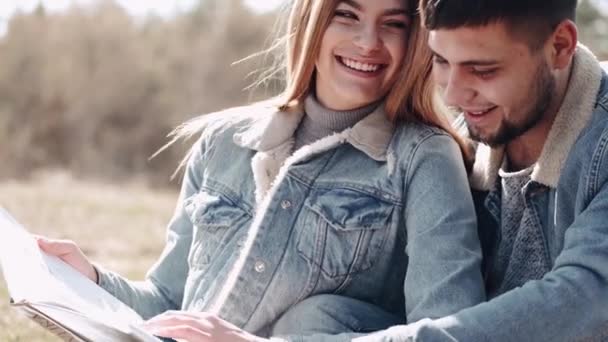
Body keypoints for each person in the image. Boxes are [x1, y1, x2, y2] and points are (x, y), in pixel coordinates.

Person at [37, 0, 486, 341]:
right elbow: (169, 302)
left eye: (394, 24)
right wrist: (90, 282)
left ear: (416, 42)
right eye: (346, 15)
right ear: (312, 20)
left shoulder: (424, 159)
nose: (369, 42)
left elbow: (448, 329)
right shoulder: (225, 141)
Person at [258, 0, 608, 341]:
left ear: (560, 46)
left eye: (483, 70)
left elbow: (583, 302)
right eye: (441, 60)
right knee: (315, 318)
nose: (454, 95)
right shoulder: (465, 139)